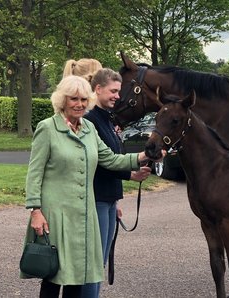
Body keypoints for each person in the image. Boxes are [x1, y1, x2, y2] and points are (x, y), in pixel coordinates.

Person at [20, 75, 150, 298]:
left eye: (83, 99)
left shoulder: (89, 128)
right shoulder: (47, 128)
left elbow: (109, 159)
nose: (79, 104)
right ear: (62, 100)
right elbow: (35, 172)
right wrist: (35, 210)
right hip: (56, 214)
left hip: (84, 215)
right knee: (54, 273)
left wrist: (142, 156)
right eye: (73, 99)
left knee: (78, 274)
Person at [80, 68, 151, 297]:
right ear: (98, 89)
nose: (117, 96)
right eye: (113, 91)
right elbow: (103, 162)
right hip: (98, 198)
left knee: (101, 258)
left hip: (109, 199)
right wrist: (141, 159)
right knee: (94, 260)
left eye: (118, 91)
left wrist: (131, 176)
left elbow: (112, 160)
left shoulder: (106, 120)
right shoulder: (91, 120)